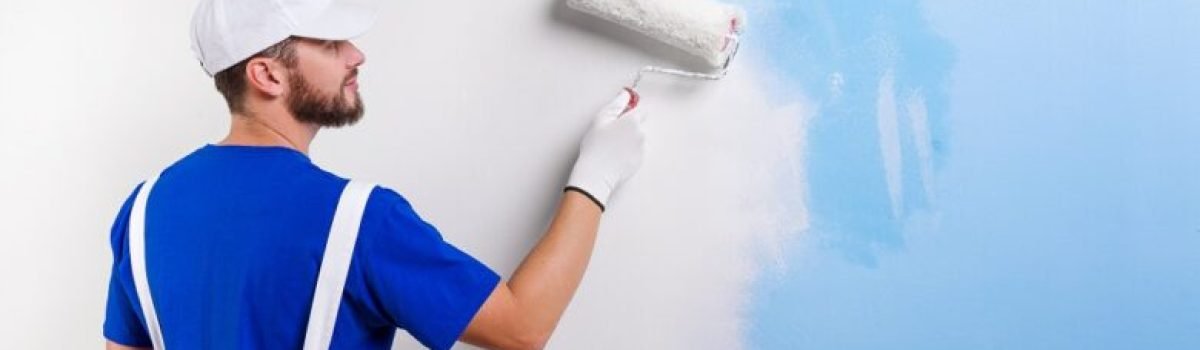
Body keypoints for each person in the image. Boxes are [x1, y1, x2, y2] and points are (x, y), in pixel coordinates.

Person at [102, 0, 646, 349]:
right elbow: (521, 328)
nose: (355, 55)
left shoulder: (144, 211)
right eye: (330, 44)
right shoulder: (359, 220)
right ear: (266, 73)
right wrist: (594, 178)